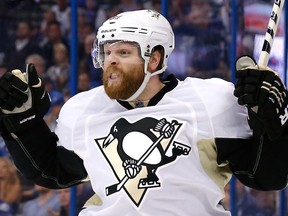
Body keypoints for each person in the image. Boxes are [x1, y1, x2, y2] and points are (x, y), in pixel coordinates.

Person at [0, 9, 288, 216]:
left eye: (123, 53)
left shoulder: (212, 100)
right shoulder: (83, 109)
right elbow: (50, 172)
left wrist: (273, 124)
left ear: (156, 58)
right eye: (107, 52)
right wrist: (22, 124)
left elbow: (267, 177)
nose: (111, 61)